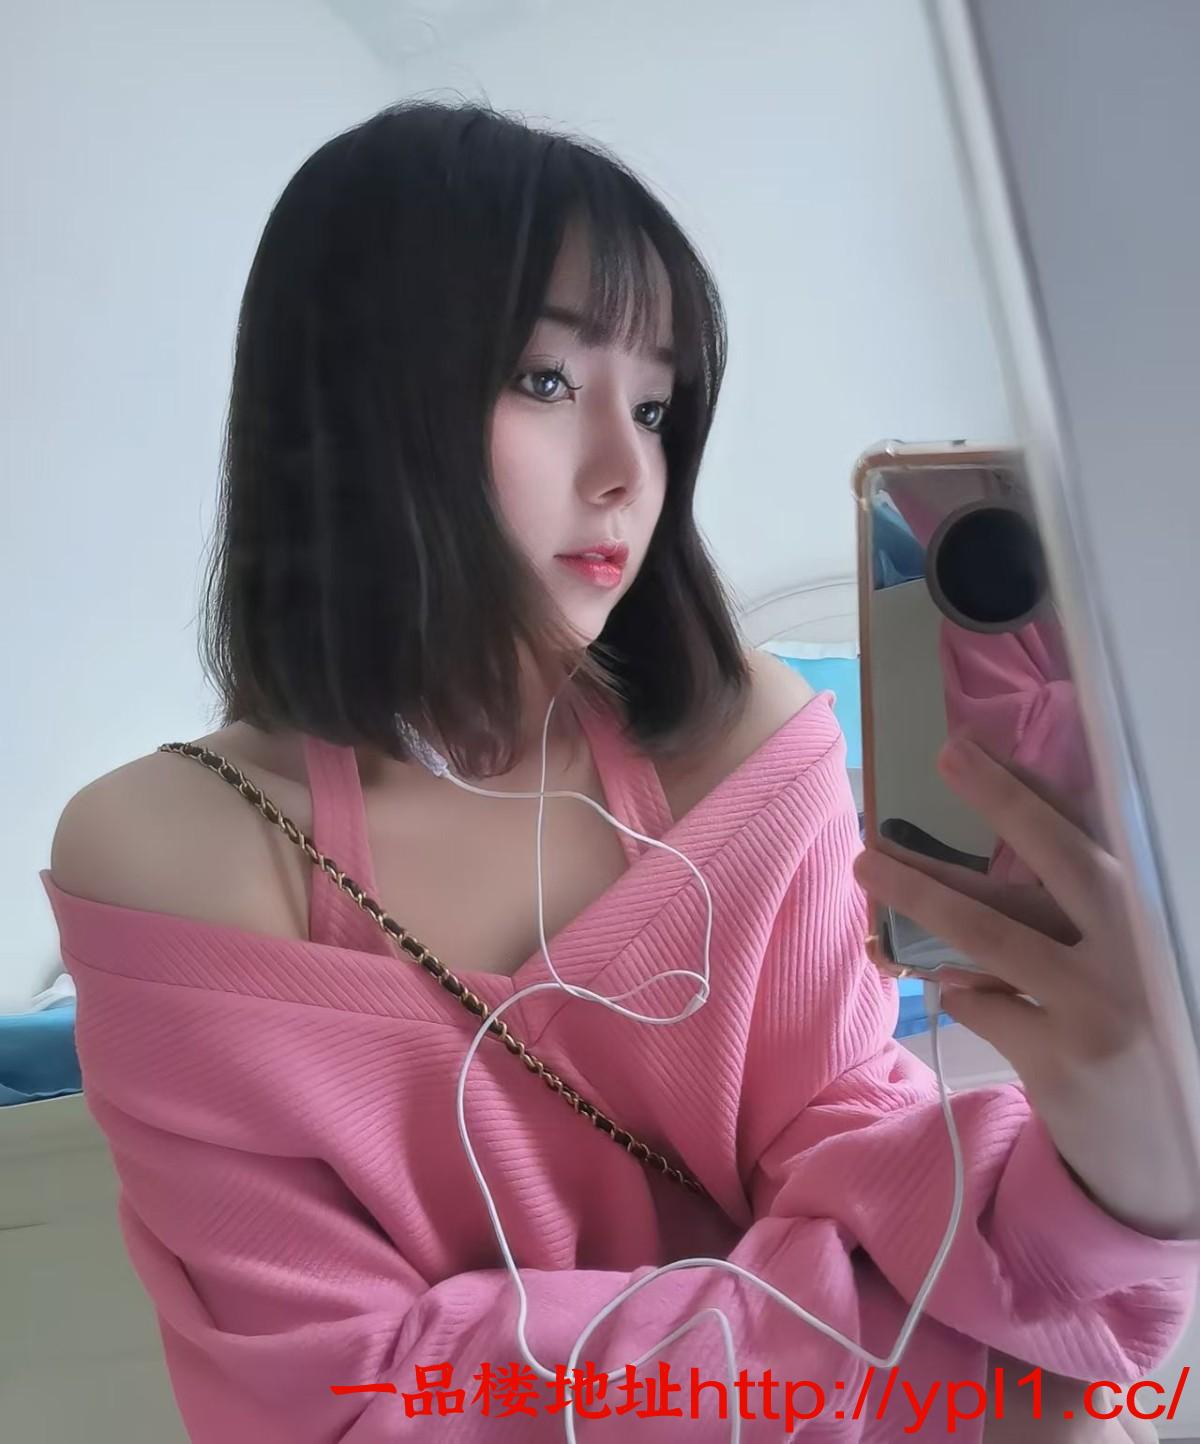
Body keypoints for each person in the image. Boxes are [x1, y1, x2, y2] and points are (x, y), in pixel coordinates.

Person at [43, 102, 1196, 1442]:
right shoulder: (168, 849)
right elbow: (337, 1405)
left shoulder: (744, 748)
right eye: (545, 381)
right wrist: (896, 1314)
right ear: (350, 395)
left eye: (653, 406)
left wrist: (1127, 1168)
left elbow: (869, 1166)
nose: (624, 473)